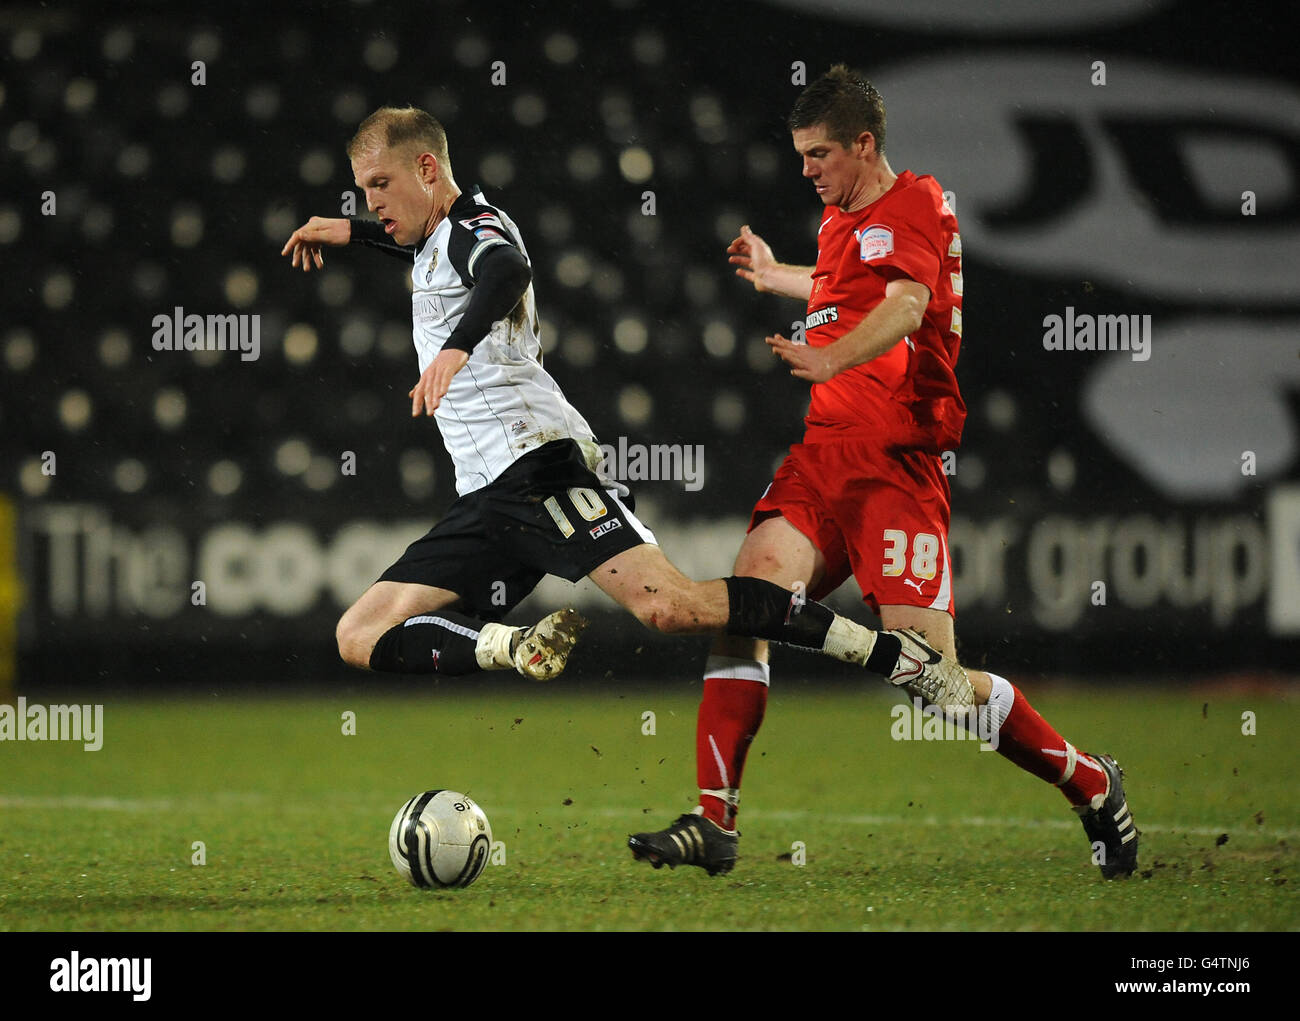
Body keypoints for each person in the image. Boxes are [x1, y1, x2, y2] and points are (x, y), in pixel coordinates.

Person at [279, 107, 972, 712]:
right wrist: (350, 232)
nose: (372, 203)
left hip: (537, 467)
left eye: (380, 186)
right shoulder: (435, 236)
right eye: (364, 191)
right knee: (359, 633)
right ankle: (517, 647)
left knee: (673, 607)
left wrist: (457, 348)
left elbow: (505, 270)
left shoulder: (474, 229)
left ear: (427, 168)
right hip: (486, 495)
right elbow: (427, 246)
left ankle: (887, 656)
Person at [628, 67, 1138, 879]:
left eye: (820, 153)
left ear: (865, 145)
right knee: (744, 607)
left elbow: (903, 306)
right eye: (800, 155)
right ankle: (715, 819)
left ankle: (1089, 780)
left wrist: (827, 355)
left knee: (934, 681)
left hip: (897, 463)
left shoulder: (920, 202)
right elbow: (842, 287)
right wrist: (776, 275)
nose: (807, 170)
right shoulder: (843, 222)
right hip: (821, 457)